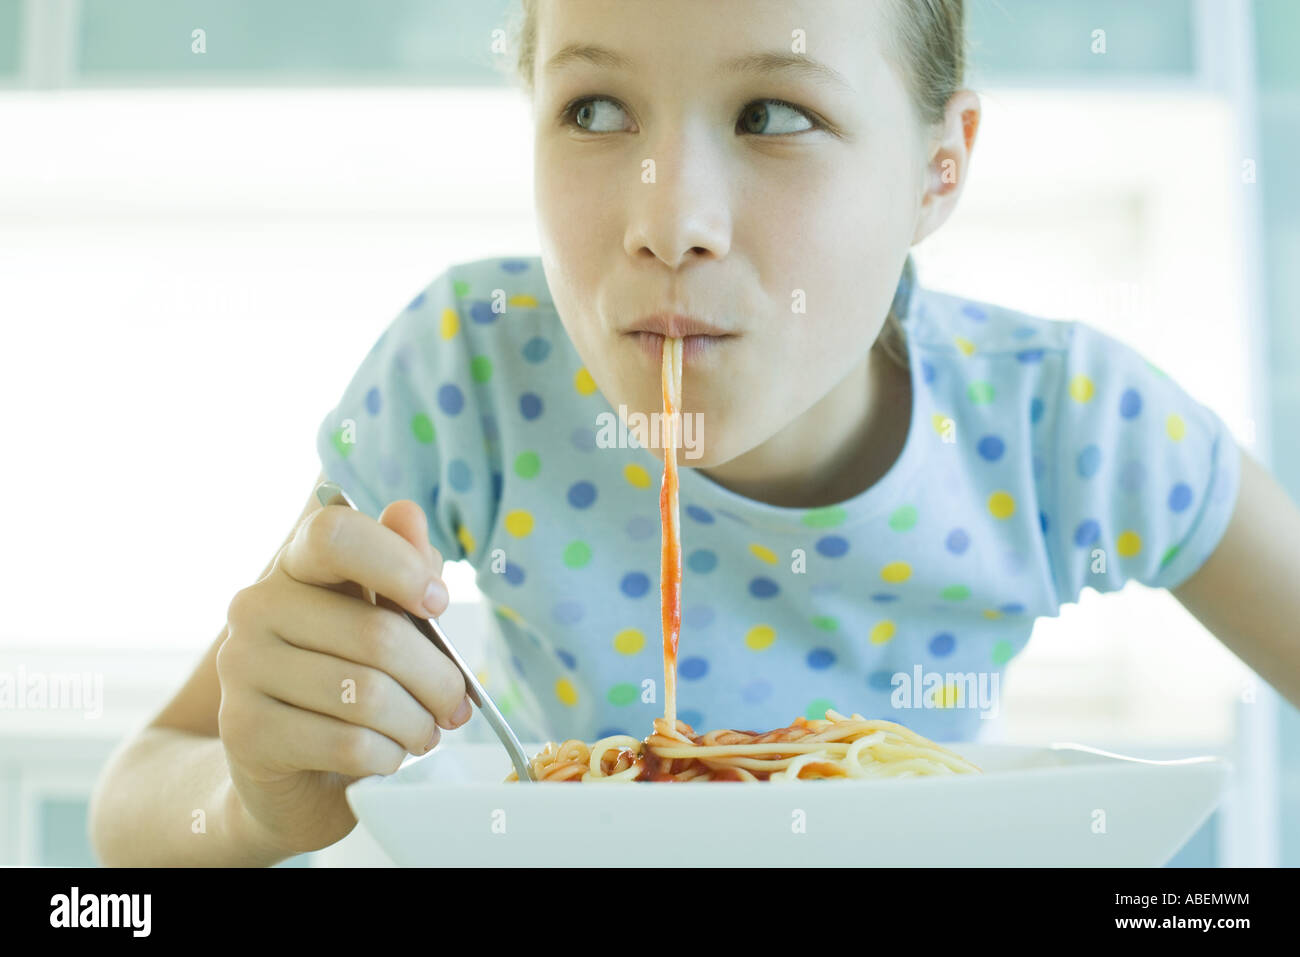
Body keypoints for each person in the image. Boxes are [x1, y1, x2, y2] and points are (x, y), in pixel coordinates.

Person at [89, 0, 1300, 866]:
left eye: (773, 111)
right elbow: (134, 805)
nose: (669, 221)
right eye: (595, 106)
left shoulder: (1061, 423)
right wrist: (252, 806)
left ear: (939, 169)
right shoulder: (471, 362)